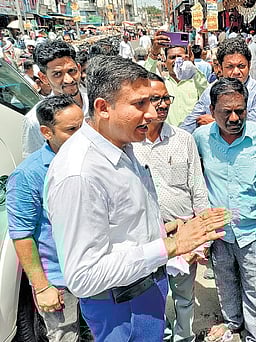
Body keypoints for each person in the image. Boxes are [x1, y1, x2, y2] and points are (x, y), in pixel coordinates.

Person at [44, 56, 230, 341]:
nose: (152, 114)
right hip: (121, 308)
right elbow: (83, 276)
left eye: (152, 103)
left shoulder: (123, 144)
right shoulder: (79, 174)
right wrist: (169, 246)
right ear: (103, 108)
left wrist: (164, 232)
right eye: (139, 104)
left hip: (146, 292)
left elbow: (122, 225)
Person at [133, 72, 209, 342]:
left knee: (184, 297)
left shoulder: (183, 139)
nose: (163, 104)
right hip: (147, 238)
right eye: (156, 99)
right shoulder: (129, 144)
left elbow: (198, 189)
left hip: (184, 235)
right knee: (152, 298)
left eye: (166, 98)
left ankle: (183, 338)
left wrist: (202, 239)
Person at [193, 78, 256, 342]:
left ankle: (255, 336)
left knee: (255, 286)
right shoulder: (201, 138)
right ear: (212, 111)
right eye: (227, 112)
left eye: (241, 110)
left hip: (253, 229)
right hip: (219, 230)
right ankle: (232, 322)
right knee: (225, 281)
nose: (235, 117)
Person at [7, 95, 84, 342]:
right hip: (59, 281)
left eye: (84, 127)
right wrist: (42, 287)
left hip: (94, 272)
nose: (81, 135)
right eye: (71, 130)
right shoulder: (27, 176)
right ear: (46, 132)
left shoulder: (90, 161)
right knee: (65, 336)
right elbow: (22, 235)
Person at [180, 37, 256, 133]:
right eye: (230, 67)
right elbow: (190, 123)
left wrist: (214, 122)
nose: (236, 72)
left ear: (249, 65)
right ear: (220, 67)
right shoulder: (210, 91)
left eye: (241, 66)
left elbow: (253, 127)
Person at [22, 40, 88, 158]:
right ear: (44, 78)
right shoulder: (34, 120)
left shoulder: (97, 104)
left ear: (78, 68)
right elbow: (36, 163)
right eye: (57, 74)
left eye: (71, 71)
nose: (68, 80)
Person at [146, 41, 208, 127]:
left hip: (193, 134)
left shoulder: (195, 82)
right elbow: (145, 79)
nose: (176, 61)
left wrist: (191, 66)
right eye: (172, 57)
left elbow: (207, 93)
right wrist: (154, 53)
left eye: (179, 57)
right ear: (165, 61)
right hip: (167, 135)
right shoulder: (162, 84)